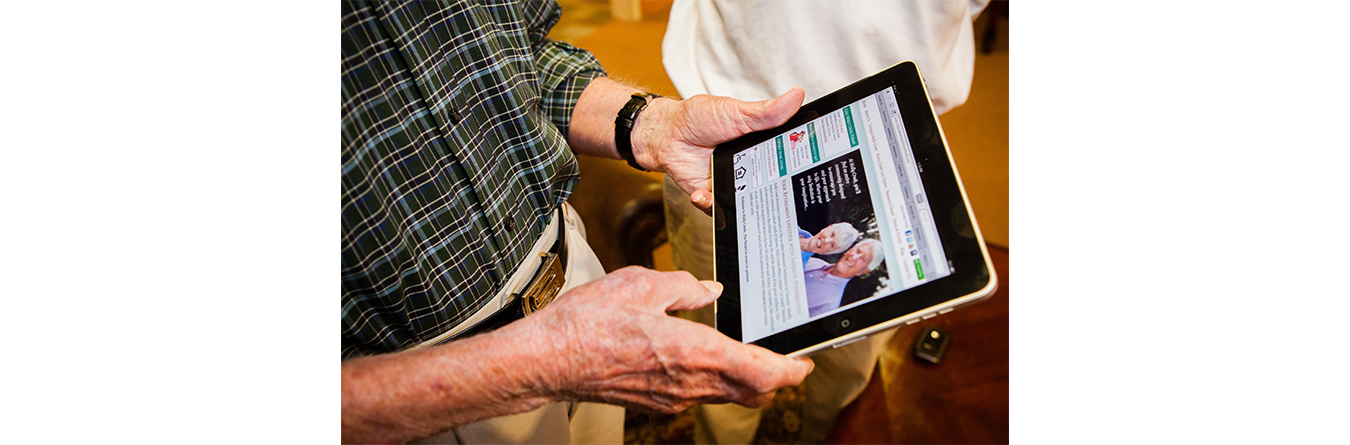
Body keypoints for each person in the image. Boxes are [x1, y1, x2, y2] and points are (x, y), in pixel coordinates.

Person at [340, 1, 816, 443]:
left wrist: (654, 126)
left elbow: (521, 56)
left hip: (572, 272)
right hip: (429, 392)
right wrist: (551, 359)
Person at [660, 0, 989, 442]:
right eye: (847, 244)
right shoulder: (801, 234)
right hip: (723, 133)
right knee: (721, 357)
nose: (846, 251)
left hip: (889, 136)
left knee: (848, 371)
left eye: (851, 251)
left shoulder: (833, 282)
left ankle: (822, 434)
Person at [804, 239, 885, 317]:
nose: (854, 258)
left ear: (863, 271)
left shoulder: (828, 304)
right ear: (849, 250)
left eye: (862, 259)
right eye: (857, 251)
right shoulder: (814, 261)